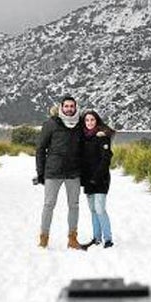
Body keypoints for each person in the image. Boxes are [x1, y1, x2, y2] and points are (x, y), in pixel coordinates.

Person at [35, 96, 85, 249]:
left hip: (74, 172)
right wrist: (41, 173)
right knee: (48, 205)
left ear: (75, 108)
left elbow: (86, 147)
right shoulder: (51, 124)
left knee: (74, 205)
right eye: (67, 106)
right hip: (53, 172)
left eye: (72, 106)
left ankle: (72, 239)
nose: (69, 109)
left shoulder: (80, 125)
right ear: (61, 107)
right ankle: (44, 239)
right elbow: (40, 149)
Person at [78, 110, 114, 249]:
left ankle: (108, 239)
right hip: (88, 179)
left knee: (100, 209)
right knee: (93, 210)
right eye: (87, 120)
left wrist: (96, 177)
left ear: (97, 121)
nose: (90, 122)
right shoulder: (84, 138)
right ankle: (96, 238)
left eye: (92, 120)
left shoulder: (103, 137)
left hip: (101, 179)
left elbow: (106, 159)